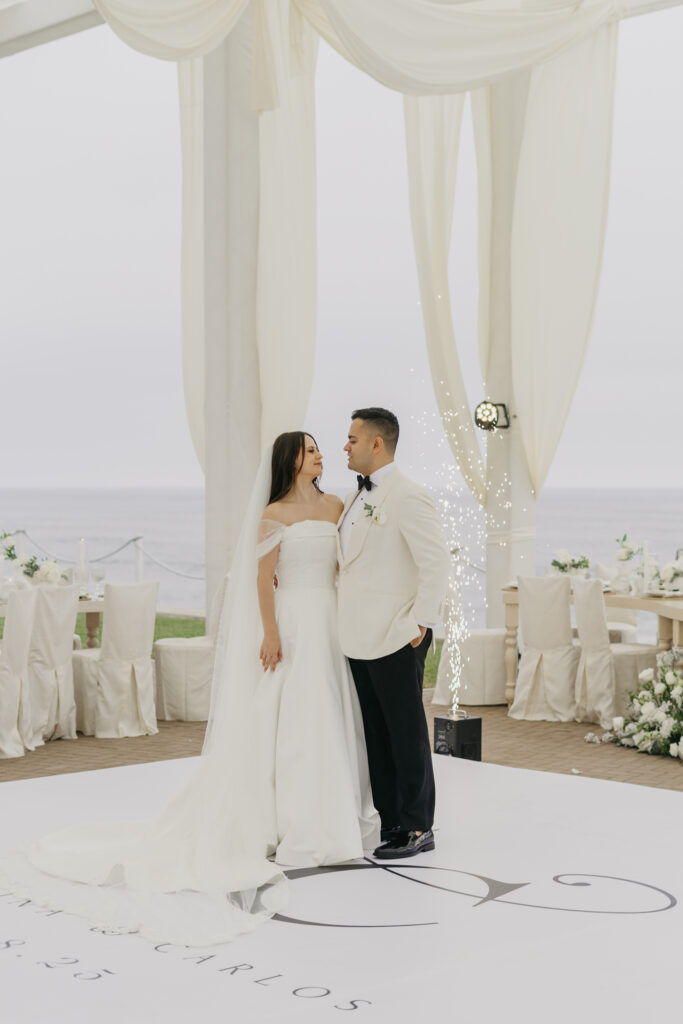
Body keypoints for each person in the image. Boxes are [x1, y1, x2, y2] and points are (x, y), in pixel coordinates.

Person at [0, 432, 377, 946]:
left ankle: (333, 812)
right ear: (291, 459)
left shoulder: (336, 505)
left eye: (318, 449)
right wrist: (270, 633)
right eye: (310, 449)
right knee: (295, 715)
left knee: (331, 713)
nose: (320, 455)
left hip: (328, 621)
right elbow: (263, 579)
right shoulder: (273, 514)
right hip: (292, 622)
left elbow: (343, 567)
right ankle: (292, 820)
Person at [338, 408, 450, 859]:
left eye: (352, 439)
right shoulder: (352, 497)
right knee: (376, 734)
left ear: (376, 443)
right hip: (357, 636)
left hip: (397, 634)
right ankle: (392, 822)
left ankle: (419, 826)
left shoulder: (409, 495)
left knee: (406, 734)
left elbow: (436, 561)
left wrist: (420, 622)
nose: (345, 446)